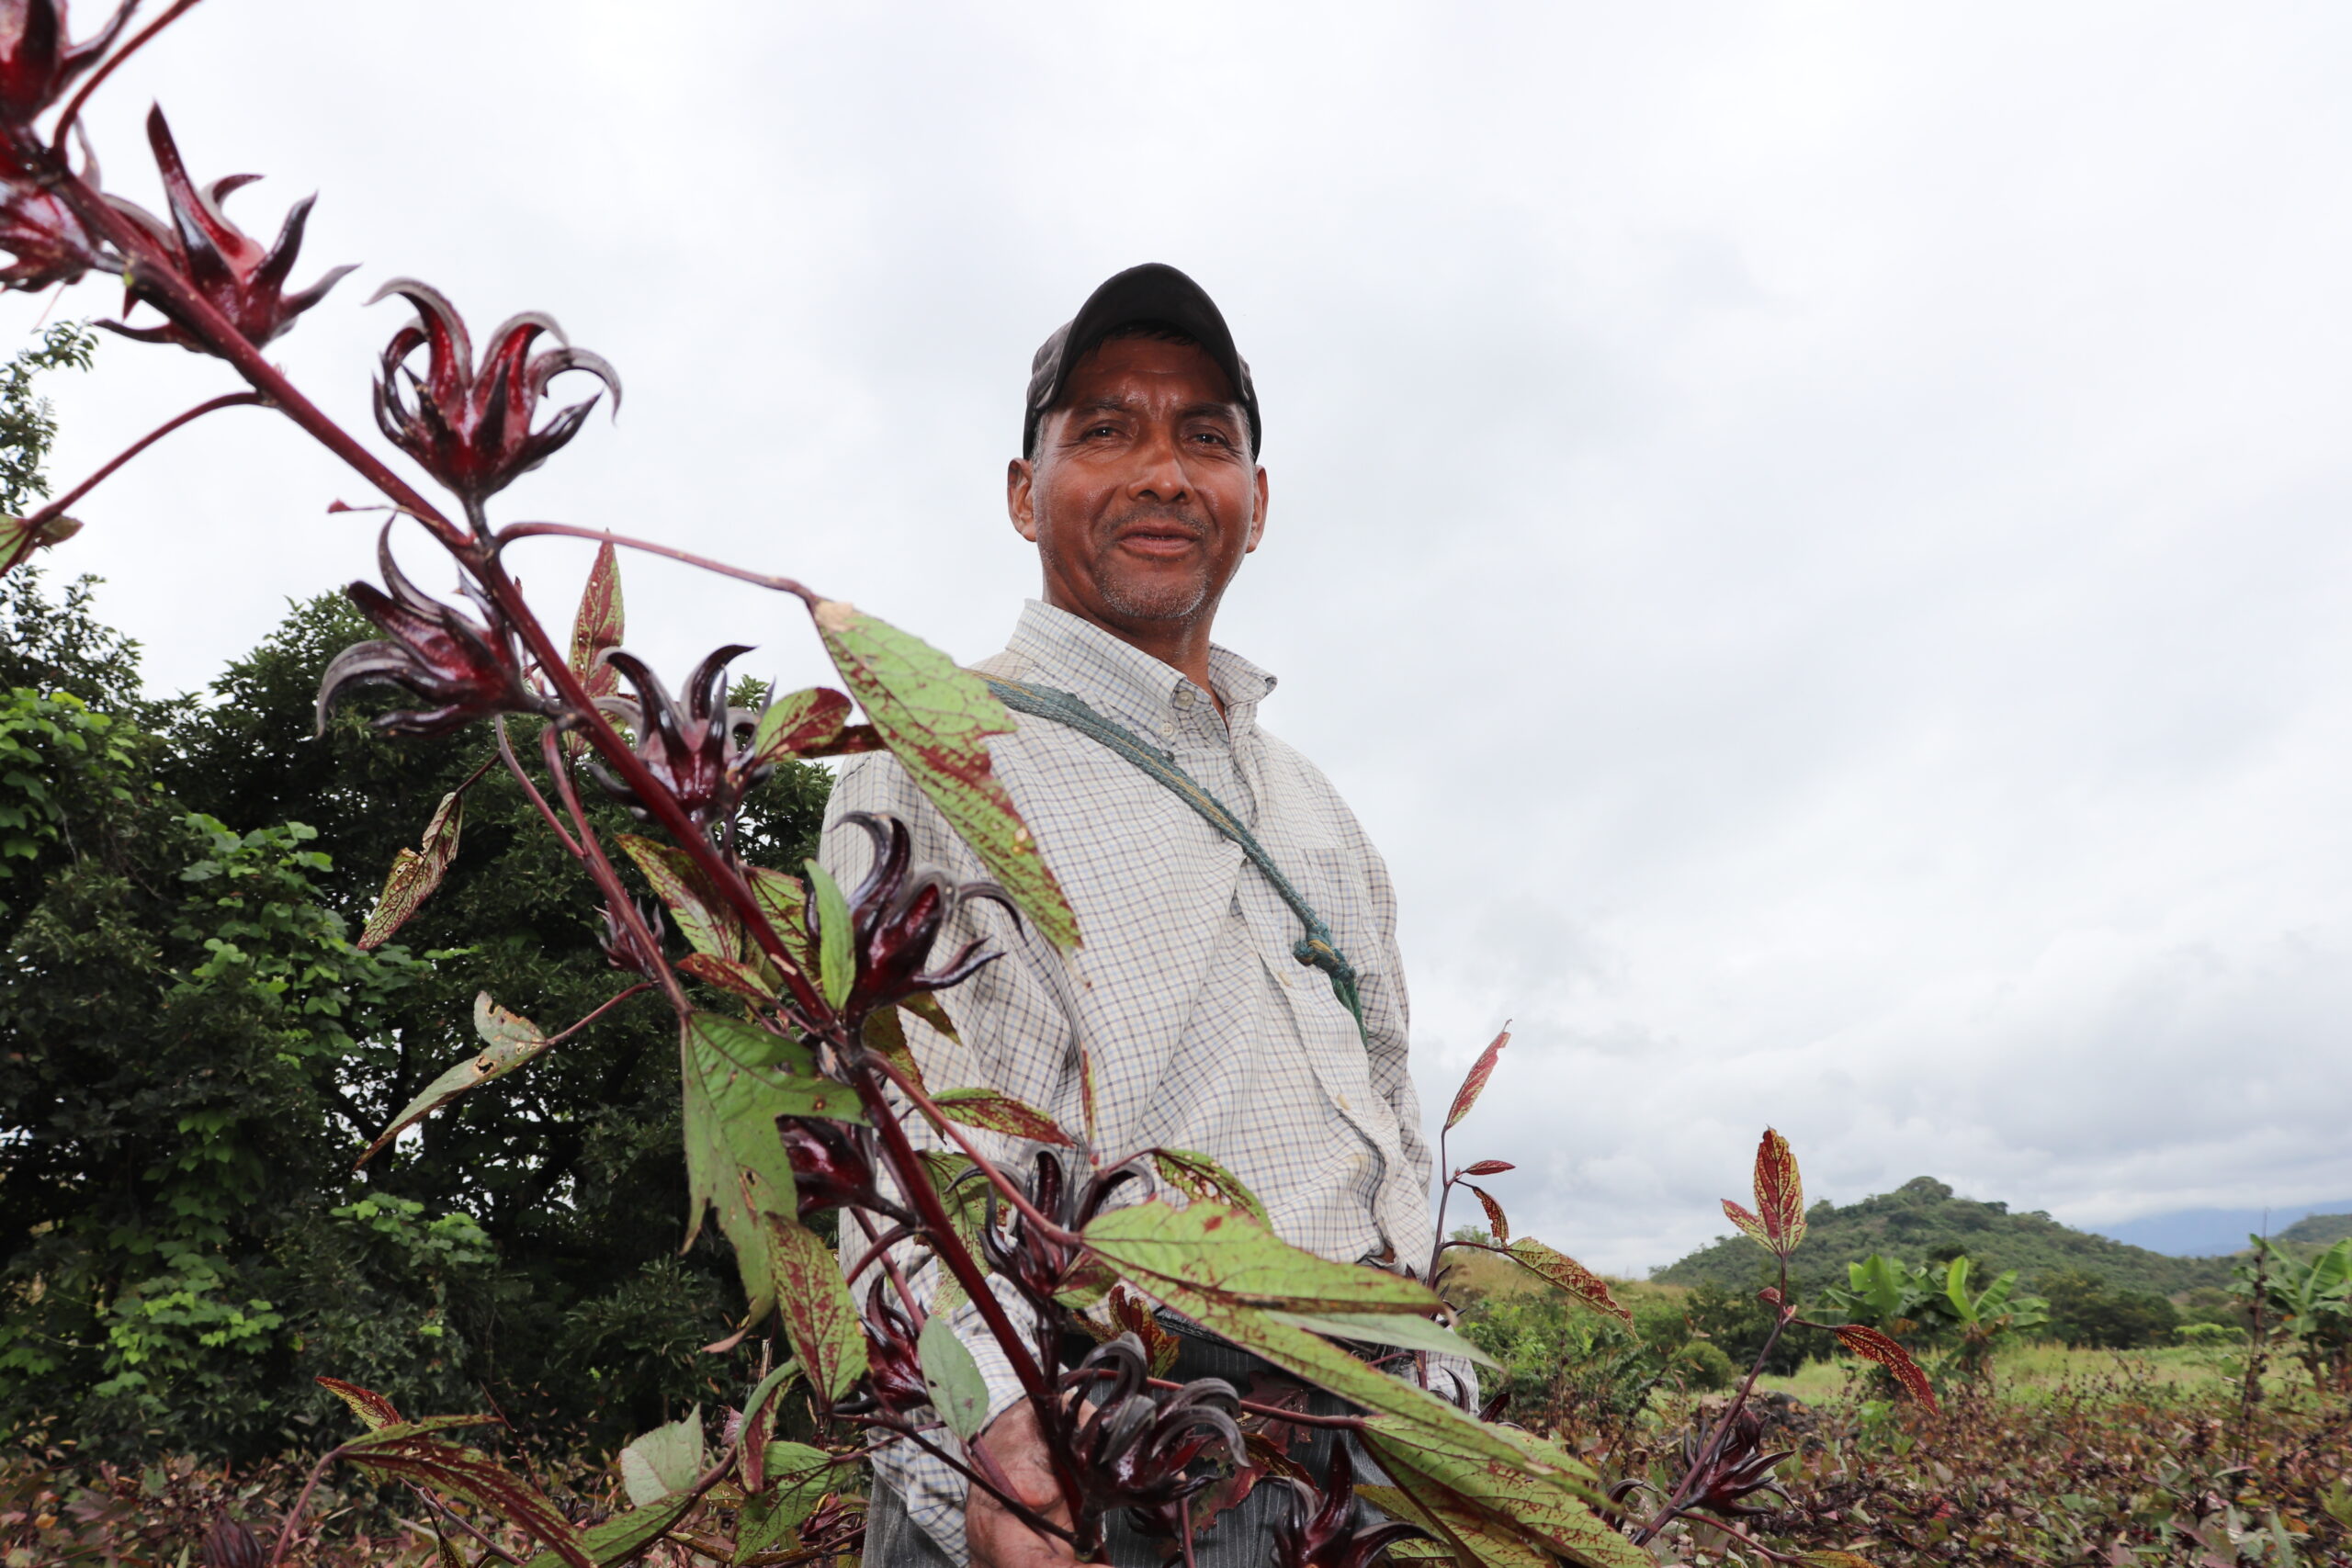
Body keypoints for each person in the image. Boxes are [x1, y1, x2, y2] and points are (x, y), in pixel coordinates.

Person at [824, 264, 1468, 1567]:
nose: (1165, 473)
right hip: (1093, 1450)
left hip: (1348, 1463)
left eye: (1206, 437)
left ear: (1257, 502)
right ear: (1023, 492)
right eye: (1106, 429)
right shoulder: (934, 753)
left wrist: (1428, 1388)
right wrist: (998, 1437)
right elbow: (898, 1145)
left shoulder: (1319, 815)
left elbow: (1392, 1105)